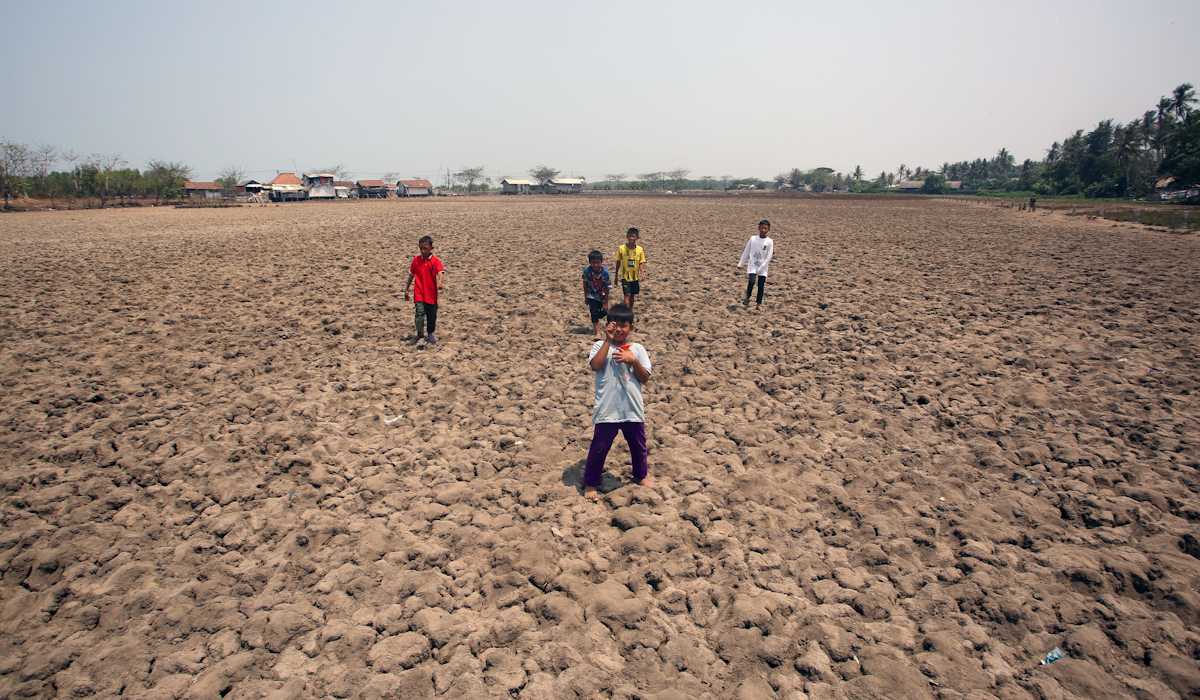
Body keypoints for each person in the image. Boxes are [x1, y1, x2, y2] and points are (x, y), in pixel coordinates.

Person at [583, 304, 653, 502]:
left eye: (624, 325)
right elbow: (596, 366)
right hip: (607, 409)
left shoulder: (638, 349)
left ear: (631, 327)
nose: (619, 330)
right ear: (608, 325)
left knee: (638, 447)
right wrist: (607, 340)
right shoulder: (600, 346)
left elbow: (644, 378)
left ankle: (640, 476)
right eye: (615, 325)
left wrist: (633, 360)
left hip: (632, 408)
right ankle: (590, 482)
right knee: (599, 448)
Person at [403, 235, 444, 347]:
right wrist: (407, 289)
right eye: (421, 248)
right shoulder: (416, 260)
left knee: (432, 315)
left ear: (431, 248)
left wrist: (440, 281)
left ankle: (430, 334)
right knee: (419, 313)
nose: (423, 251)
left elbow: (440, 271)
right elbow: (411, 274)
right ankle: (421, 336)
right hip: (419, 291)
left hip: (431, 293)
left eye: (425, 248)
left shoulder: (435, 261)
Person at [738, 220, 774, 311]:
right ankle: (748, 296)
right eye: (761, 228)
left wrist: (762, 267)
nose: (763, 230)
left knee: (761, 285)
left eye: (765, 228)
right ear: (758, 228)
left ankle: (758, 304)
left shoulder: (769, 241)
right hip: (753, 264)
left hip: (763, 266)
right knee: (752, 281)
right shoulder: (753, 239)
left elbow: (769, 256)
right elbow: (746, 251)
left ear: (768, 230)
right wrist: (741, 263)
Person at [582, 250, 612, 341]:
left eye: (598, 262)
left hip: (602, 294)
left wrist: (606, 302)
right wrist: (585, 296)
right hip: (591, 294)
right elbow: (585, 282)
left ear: (601, 262)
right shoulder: (587, 271)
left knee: (604, 312)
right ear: (589, 262)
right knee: (593, 312)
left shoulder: (605, 272)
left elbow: (607, 288)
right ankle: (597, 332)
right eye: (593, 262)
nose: (595, 265)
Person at [615, 228, 646, 309]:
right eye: (630, 236)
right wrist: (616, 275)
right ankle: (626, 311)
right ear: (627, 237)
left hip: (635, 277)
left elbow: (640, 262)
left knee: (632, 295)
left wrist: (642, 273)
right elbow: (618, 262)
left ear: (637, 238)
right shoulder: (621, 248)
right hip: (625, 276)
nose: (631, 238)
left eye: (633, 236)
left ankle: (630, 312)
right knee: (627, 295)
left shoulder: (640, 249)